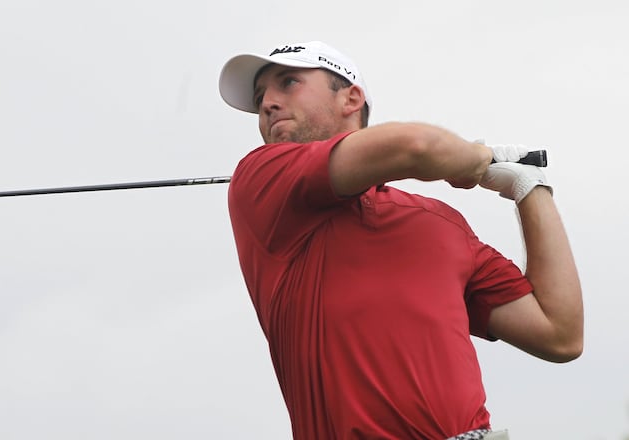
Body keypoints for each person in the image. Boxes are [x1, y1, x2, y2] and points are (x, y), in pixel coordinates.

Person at [218, 41, 583, 440]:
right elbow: (418, 148)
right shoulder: (262, 179)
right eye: (260, 97)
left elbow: (559, 334)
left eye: (288, 82)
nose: (268, 103)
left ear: (351, 98)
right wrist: (477, 160)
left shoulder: (440, 223)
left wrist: (530, 186)